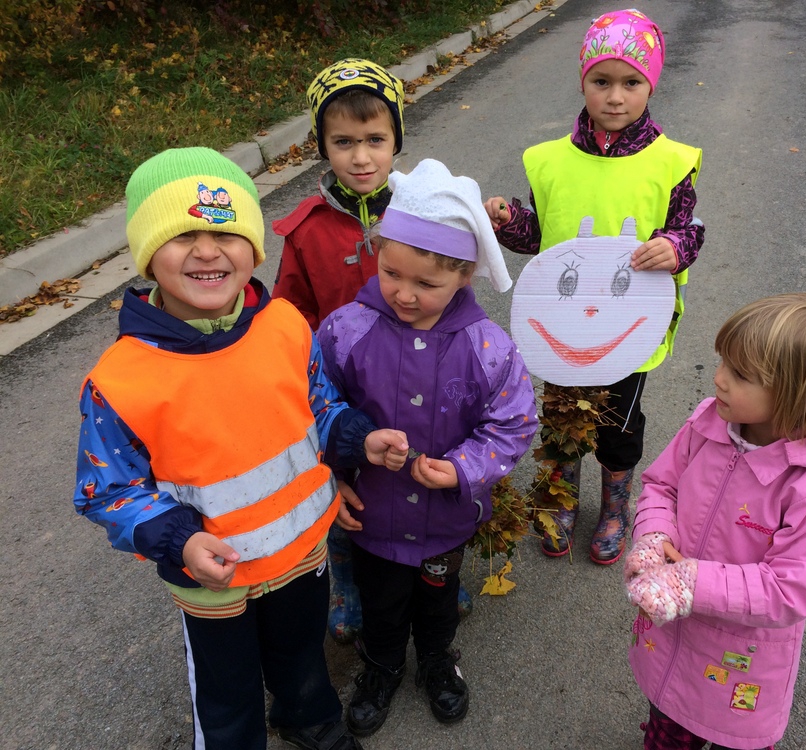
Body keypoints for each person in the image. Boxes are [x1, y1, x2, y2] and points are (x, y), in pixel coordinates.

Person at [73, 146, 410, 750]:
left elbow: (319, 407)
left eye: (226, 233)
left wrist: (359, 438)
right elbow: (109, 491)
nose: (207, 251)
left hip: (302, 551)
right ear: (147, 255)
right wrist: (181, 540)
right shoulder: (120, 382)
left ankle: (309, 719)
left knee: (301, 657)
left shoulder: (285, 325)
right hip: (213, 578)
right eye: (183, 235)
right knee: (225, 693)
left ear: (253, 249)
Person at [316, 159, 538, 736]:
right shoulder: (346, 330)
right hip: (374, 514)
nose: (404, 294)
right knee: (382, 601)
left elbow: (513, 422)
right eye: (391, 273)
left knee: (439, 600)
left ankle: (437, 659)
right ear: (379, 253)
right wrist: (347, 452)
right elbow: (314, 403)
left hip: (446, 519)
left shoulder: (486, 347)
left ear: (464, 276)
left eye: (426, 284)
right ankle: (382, 665)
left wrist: (464, 468)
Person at [484, 8, 704, 565]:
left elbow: (688, 228)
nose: (615, 97)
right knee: (562, 418)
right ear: (583, 81)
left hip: (629, 328)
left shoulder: (671, 162)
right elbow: (543, 237)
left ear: (650, 85)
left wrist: (675, 247)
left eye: (631, 83)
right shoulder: (549, 162)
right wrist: (509, 220)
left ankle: (614, 506)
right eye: (601, 81)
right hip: (562, 326)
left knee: (619, 424)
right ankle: (560, 501)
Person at [272, 58, 475, 642]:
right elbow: (292, 314)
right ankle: (348, 584)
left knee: (425, 470)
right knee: (349, 486)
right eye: (343, 142)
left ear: (396, 140)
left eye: (375, 140)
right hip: (344, 385)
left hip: (420, 375)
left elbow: (454, 290)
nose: (361, 157)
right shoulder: (307, 230)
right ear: (323, 145)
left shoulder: (423, 211)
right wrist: (309, 379)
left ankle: (435, 569)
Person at [624, 293, 806, 750]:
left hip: (742, 666)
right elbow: (662, 485)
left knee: (734, 737)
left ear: (801, 395)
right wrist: (654, 534)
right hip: (673, 640)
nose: (719, 378)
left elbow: (790, 588)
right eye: (723, 363)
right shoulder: (707, 425)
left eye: (740, 374)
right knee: (668, 721)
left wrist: (691, 583)